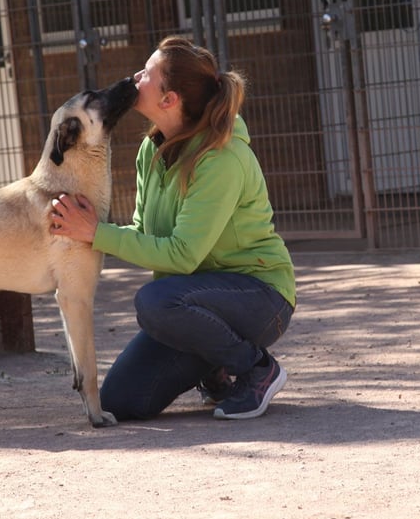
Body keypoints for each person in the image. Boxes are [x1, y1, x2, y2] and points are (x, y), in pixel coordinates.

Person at [49, 36, 296, 421]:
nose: (135, 77)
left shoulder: (222, 159)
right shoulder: (152, 149)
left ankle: (256, 369)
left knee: (154, 301)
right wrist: (88, 229)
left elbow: (182, 255)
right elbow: (143, 230)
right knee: (120, 401)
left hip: (259, 298)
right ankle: (214, 367)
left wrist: (96, 232)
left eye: (146, 74)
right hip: (192, 303)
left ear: (169, 100)